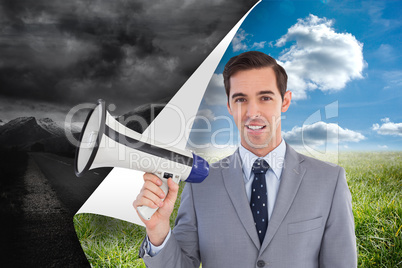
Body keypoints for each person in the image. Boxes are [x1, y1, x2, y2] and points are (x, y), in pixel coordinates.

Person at [133, 51, 357, 267]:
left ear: (285, 101)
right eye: (241, 99)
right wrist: (158, 230)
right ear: (229, 105)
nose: (252, 111)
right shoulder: (200, 185)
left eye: (265, 97)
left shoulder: (329, 180)